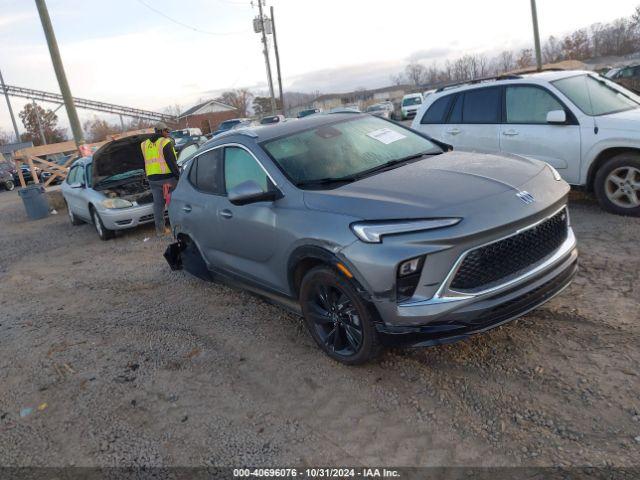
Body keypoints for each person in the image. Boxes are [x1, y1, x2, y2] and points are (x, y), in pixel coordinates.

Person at [141, 122, 179, 236]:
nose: (168, 133)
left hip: (152, 179)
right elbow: (171, 162)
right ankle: (177, 227)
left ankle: (160, 231)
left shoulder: (144, 144)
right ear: (161, 131)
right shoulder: (165, 142)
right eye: (167, 131)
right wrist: (178, 176)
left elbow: (144, 161)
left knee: (158, 205)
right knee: (173, 203)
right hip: (167, 178)